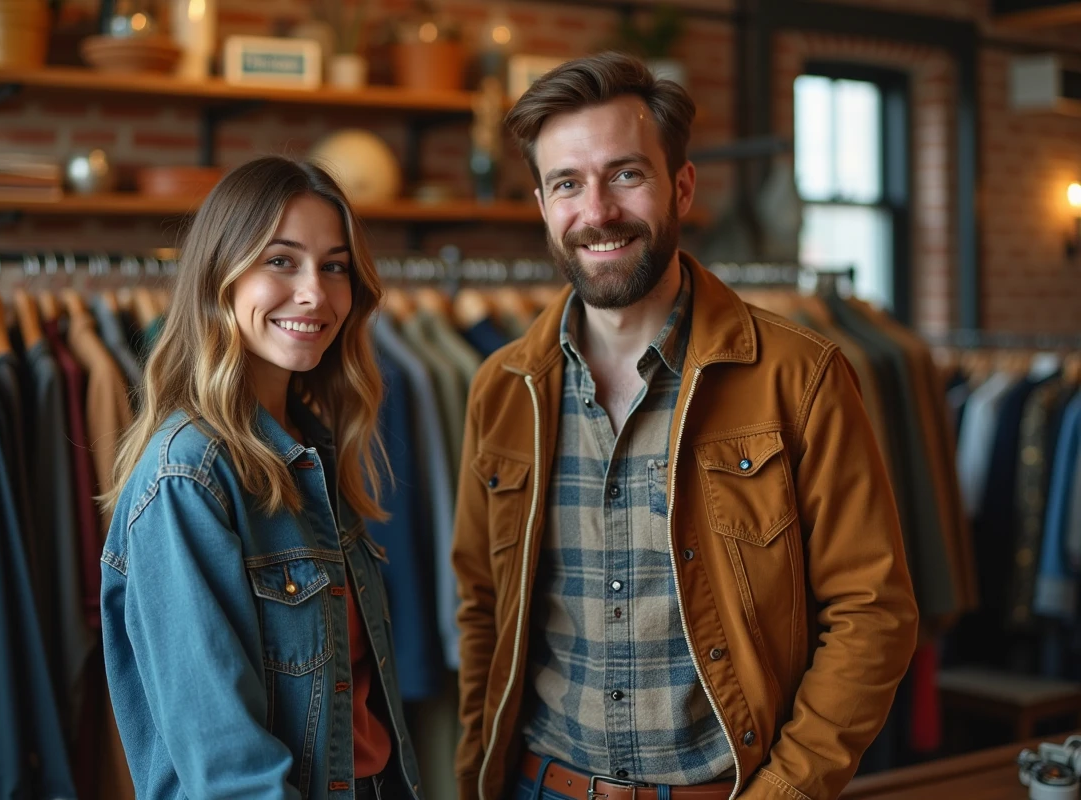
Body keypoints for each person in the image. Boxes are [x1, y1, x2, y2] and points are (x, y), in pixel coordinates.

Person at [451, 53, 919, 800]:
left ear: (683, 187)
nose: (598, 210)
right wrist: (477, 770)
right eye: (568, 183)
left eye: (626, 174)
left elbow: (874, 614)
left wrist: (786, 793)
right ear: (542, 205)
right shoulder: (502, 388)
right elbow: (482, 606)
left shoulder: (800, 377)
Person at [100, 156, 423, 800]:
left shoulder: (314, 452)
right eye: (281, 260)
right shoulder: (188, 478)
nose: (315, 292)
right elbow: (228, 769)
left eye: (334, 266)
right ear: (222, 275)